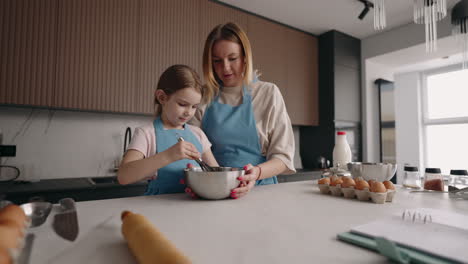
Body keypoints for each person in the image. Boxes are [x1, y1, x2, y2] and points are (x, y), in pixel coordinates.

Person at [189, 22, 296, 199]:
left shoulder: (268, 93)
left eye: (232, 58)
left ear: (245, 57)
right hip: (214, 191)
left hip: (262, 191)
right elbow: (192, 151)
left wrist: (257, 173)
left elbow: (283, 159)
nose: (225, 68)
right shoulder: (202, 97)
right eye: (217, 61)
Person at [117, 65, 218, 195]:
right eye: (182, 104)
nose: (189, 112)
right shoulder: (147, 134)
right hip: (158, 209)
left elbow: (216, 173)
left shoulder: (198, 134)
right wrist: (169, 155)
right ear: (162, 97)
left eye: (194, 107)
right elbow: (124, 176)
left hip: (194, 208)